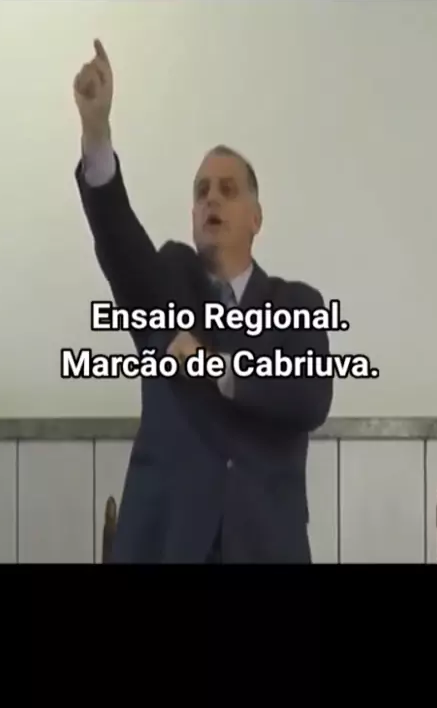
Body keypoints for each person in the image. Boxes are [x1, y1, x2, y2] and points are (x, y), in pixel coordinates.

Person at [73, 39, 333, 563]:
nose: (211, 197)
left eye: (228, 190)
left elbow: (309, 397)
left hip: (264, 547)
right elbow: (120, 243)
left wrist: (218, 369)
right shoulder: (166, 280)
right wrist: (96, 132)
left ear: (256, 218)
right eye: (201, 191)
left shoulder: (298, 304)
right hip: (165, 544)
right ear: (193, 215)